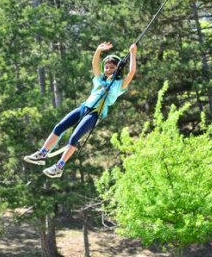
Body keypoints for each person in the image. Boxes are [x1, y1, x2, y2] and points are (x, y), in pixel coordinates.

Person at [24, 42, 137, 178]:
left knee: (74, 137)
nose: (107, 69)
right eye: (106, 67)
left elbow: (131, 72)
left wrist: (132, 53)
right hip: (84, 107)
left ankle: (59, 166)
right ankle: (42, 153)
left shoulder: (119, 85)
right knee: (60, 126)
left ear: (117, 69)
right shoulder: (99, 79)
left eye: (111, 67)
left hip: (95, 114)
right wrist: (98, 50)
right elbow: (95, 64)